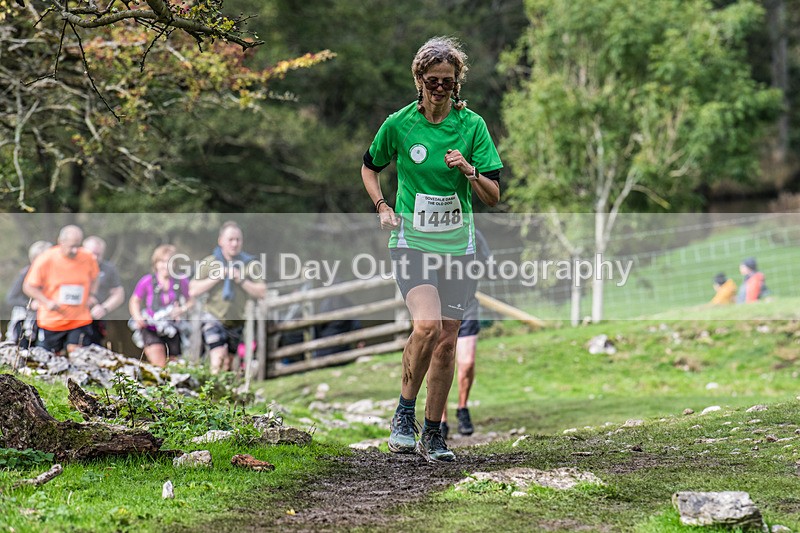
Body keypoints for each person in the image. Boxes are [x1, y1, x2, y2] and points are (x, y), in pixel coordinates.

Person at [361, 37, 502, 462]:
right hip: (412, 242)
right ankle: (404, 415)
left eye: (448, 80)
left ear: (457, 82)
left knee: (447, 339)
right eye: (433, 80)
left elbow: (493, 195)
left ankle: (435, 432)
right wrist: (383, 206)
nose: (440, 88)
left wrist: (470, 170)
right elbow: (370, 168)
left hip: (459, 246)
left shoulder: (472, 126)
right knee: (425, 327)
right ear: (419, 79)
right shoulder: (400, 124)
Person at [189, 221, 267, 374]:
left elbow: (262, 291)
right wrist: (216, 277)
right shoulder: (210, 262)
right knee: (218, 358)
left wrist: (242, 280)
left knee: (228, 365)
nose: (234, 243)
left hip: (236, 320)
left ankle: (219, 395)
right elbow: (193, 290)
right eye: (230, 239)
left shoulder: (250, 264)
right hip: (213, 316)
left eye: (238, 240)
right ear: (221, 241)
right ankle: (211, 396)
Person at [440, 229, 491, 439]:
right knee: (441, 361)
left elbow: (487, 265)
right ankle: (439, 419)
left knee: (467, 362)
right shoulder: (431, 233)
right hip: (439, 306)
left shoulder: (474, 234)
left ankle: (462, 408)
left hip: (467, 305)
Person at [23, 225, 99, 355]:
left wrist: (91, 295)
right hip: (52, 320)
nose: (75, 250)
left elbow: (96, 277)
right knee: (53, 359)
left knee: (77, 354)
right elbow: (28, 286)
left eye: (78, 245)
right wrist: (46, 302)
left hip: (79, 318)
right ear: (60, 241)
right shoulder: (46, 259)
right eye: (71, 246)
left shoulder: (88, 257)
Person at [129, 244, 193, 367]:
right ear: (156, 264)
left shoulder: (181, 281)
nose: (166, 266)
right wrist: (138, 317)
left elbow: (191, 300)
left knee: (174, 365)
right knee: (159, 365)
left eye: (169, 262)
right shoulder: (147, 281)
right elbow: (134, 300)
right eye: (162, 262)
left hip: (173, 328)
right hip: (151, 327)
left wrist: (182, 309)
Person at [5, 240, 52, 348]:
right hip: (24, 319)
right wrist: (30, 304)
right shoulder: (25, 274)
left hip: (45, 319)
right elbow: (11, 298)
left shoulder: (54, 276)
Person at [82, 236, 125, 347]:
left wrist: (104, 308)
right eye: (92, 253)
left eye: (98, 254)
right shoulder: (73, 266)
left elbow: (119, 294)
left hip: (96, 318)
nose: (95, 257)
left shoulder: (108, 269)